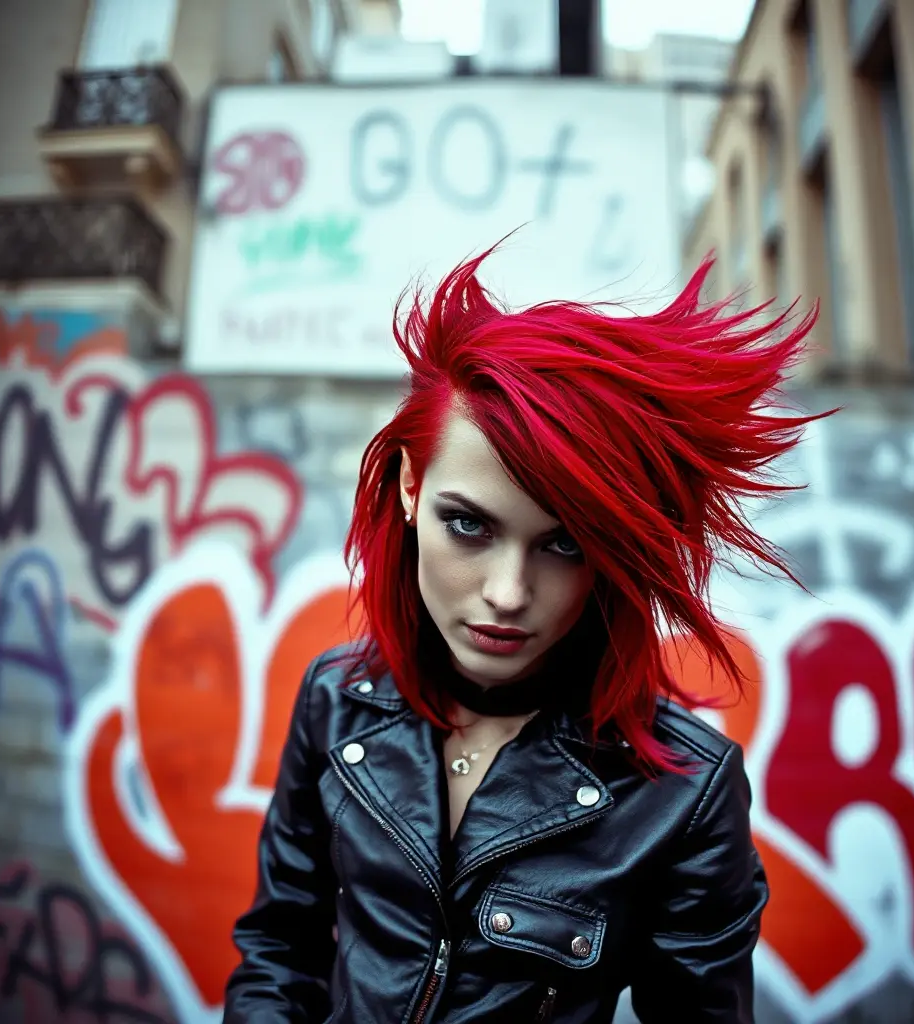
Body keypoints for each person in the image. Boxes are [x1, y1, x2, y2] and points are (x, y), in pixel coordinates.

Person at [223, 247, 819, 1023]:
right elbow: (280, 947)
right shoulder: (336, 704)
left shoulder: (681, 795)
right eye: (467, 524)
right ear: (410, 487)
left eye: (564, 543)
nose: (507, 594)